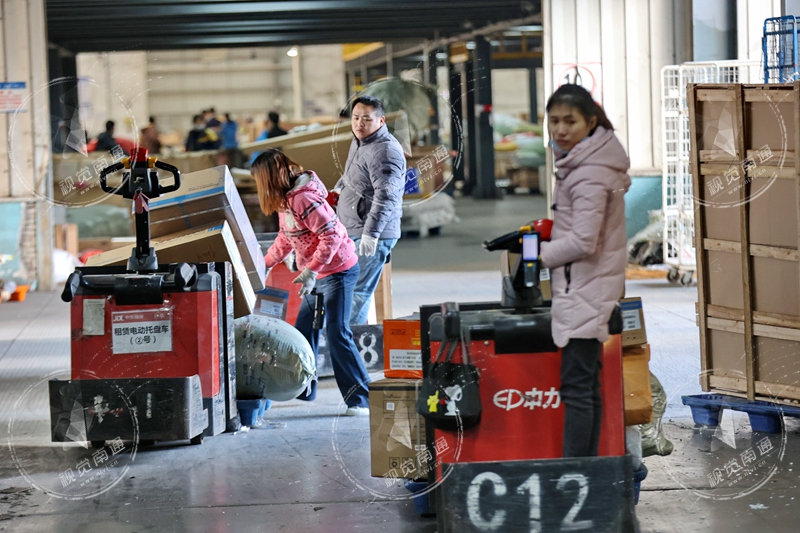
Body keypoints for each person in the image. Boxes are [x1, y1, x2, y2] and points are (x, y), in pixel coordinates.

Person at [539, 84, 631, 458]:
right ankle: (586, 470)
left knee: (577, 387)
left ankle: (576, 473)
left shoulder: (589, 172)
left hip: (586, 287)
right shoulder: (584, 164)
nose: (560, 130)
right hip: (588, 284)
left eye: (570, 121)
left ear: (590, 123)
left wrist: (539, 256)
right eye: (554, 121)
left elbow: (583, 241)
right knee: (586, 385)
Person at [253, 148, 371, 415]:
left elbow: (332, 235)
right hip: (315, 275)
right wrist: (264, 263)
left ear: (270, 177)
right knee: (304, 331)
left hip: (338, 271)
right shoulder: (285, 199)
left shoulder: (303, 198)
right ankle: (306, 388)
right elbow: (286, 237)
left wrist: (312, 271)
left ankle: (360, 399)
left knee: (337, 333)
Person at [333, 95, 405, 325]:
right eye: (355, 118)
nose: (359, 123)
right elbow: (353, 174)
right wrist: (339, 189)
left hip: (370, 233)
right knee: (349, 292)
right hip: (353, 229)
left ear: (381, 121)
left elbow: (387, 196)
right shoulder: (360, 142)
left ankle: (351, 343)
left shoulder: (385, 151)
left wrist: (371, 234)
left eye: (366, 119)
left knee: (357, 293)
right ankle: (347, 339)